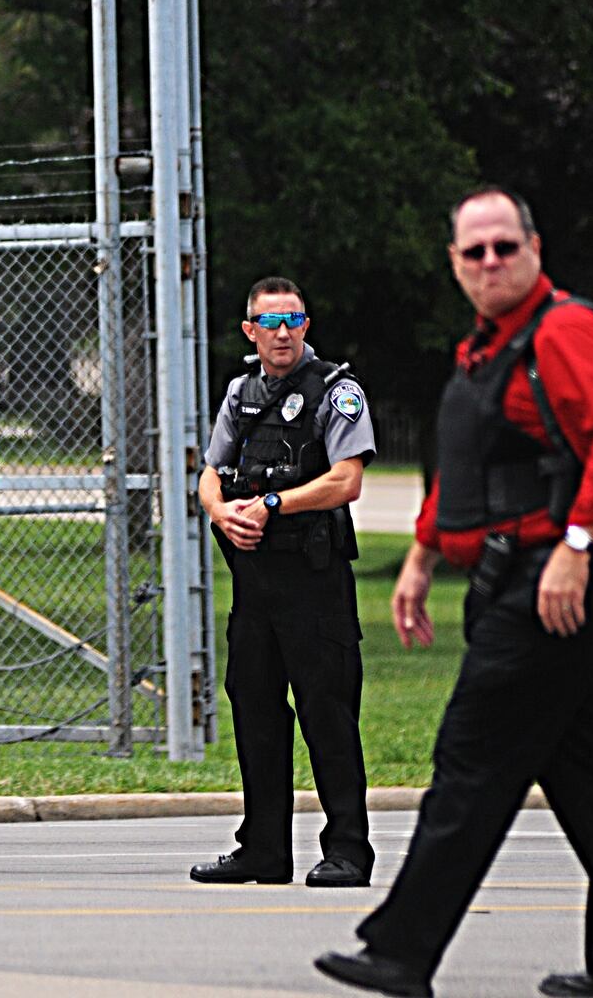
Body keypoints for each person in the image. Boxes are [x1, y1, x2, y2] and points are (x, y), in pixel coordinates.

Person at [316, 189, 593, 998]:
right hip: (510, 576)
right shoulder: (485, 351)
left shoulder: (568, 331)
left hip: (556, 582)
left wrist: (578, 546)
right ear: (454, 262)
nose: (489, 262)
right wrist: (420, 558)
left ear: (533, 249)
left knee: (471, 757)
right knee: (591, 785)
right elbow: (465, 474)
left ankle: (400, 952)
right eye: (473, 251)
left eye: (503, 247)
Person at [192, 277, 375, 889]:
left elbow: (346, 480)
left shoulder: (335, 390)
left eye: (292, 320)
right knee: (255, 710)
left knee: (328, 714)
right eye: (269, 322)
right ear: (250, 331)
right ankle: (263, 850)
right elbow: (211, 473)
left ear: (306, 325)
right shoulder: (241, 393)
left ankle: (347, 850)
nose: (282, 332)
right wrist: (222, 513)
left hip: (314, 582)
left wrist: (272, 503)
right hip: (255, 586)